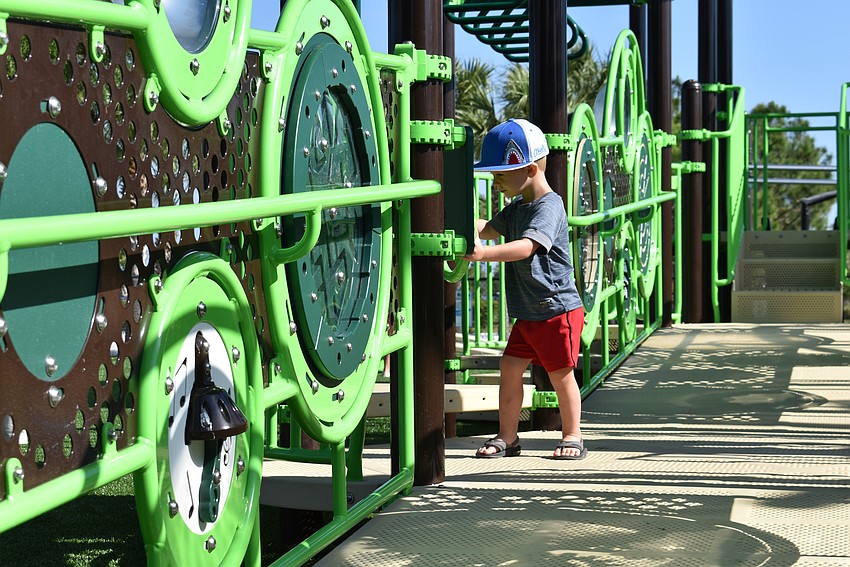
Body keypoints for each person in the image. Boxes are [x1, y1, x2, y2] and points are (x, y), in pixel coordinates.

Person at [463, 118, 586, 460]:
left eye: (501, 173)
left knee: (561, 376)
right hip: (528, 312)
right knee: (510, 369)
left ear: (530, 168)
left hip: (555, 308)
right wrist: (456, 224)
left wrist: (483, 255)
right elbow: (488, 227)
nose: (494, 180)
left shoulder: (549, 207)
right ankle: (508, 436)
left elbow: (527, 246)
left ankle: (573, 435)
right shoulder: (519, 206)